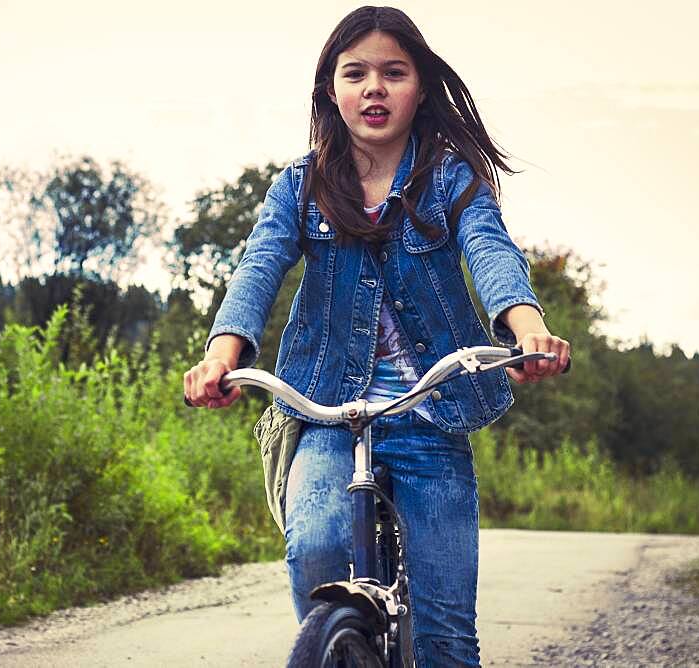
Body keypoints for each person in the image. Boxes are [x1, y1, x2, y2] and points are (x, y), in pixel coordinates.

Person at [183, 5, 571, 666]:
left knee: (448, 635)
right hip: (328, 413)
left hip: (432, 418)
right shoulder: (299, 186)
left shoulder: (454, 180)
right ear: (330, 90)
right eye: (355, 73)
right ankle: (343, 647)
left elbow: (493, 253)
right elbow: (258, 266)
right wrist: (222, 354)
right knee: (316, 547)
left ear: (419, 87)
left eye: (394, 72)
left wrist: (526, 328)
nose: (374, 88)